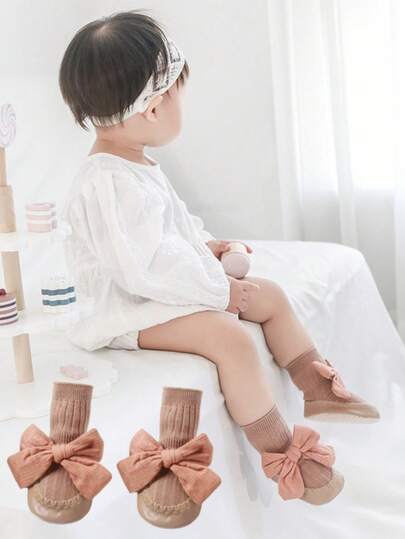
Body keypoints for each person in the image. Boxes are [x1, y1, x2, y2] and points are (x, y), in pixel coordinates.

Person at [59, 10, 379, 517]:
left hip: (154, 292)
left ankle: (317, 385)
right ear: (154, 108)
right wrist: (220, 291)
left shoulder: (134, 163)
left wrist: (206, 247)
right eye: (178, 95)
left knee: (269, 295)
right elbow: (144, 269)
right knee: (228, 338)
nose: (181, 105)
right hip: (125, 310)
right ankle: (281, 453)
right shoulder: (109, 181)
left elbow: (173, 229)